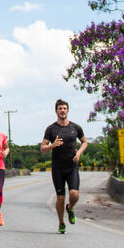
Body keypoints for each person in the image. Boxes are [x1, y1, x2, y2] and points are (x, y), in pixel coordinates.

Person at [41, 99, 88, 234]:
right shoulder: (51, 129)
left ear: (68, 111)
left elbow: (85, 142)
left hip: (71, 167)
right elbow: (42, 148)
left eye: (64, 108)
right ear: (56, 111)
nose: (62, 111)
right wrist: (52, 145)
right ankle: (61, 223)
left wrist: (78, 153)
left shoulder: (75, 128)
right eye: (60, 108)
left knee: (74, 194)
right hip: (57, 168)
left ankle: (70, 208)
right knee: (60, 197)